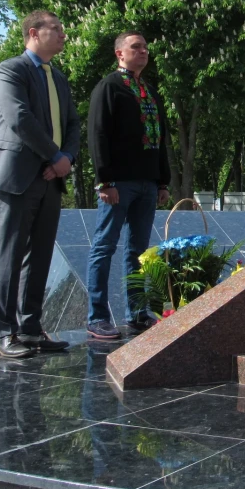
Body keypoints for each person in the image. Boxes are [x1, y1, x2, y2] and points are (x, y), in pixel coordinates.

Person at [0, 10, 80, 358]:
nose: (63, 35)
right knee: (9, 255)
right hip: (18, 176)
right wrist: (55, 156)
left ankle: (31, 328)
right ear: (34, 33)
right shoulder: (10, 70)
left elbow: (72, 124)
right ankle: (5, 333)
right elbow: (19, 119)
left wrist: (66, 159)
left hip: (52, 179)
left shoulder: (60, 79)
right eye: (57, 29)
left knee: (39, 257)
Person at [85, 31, 171, 340]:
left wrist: (162, 181)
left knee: (138, 251)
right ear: (120, 53)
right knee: (105, 246)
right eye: (136, 47)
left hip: (147, 183)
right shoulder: (109, 87)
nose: (144, 51)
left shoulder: (148, 90)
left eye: (146, 47)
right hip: (118, 183)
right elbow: (97, 134)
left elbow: (162, 138)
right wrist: (104, 180)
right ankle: (97, 317)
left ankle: (136, 314)